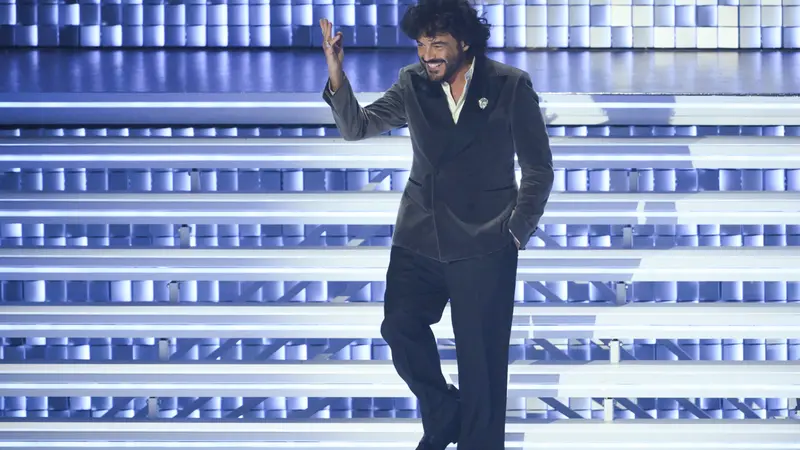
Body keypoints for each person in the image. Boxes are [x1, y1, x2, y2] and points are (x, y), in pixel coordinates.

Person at [319, 0, 553, 448]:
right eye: (421, 45)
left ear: (464, 42)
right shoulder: (412, 82)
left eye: (437, 44)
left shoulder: (509, 85)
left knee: (482, 372)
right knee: (399, 327)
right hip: (419, 237)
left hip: (485, 241)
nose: (427, 55)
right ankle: (445, 413)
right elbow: (356, 127)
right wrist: (336, 72)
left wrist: (515, 231)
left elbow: (538, 168)